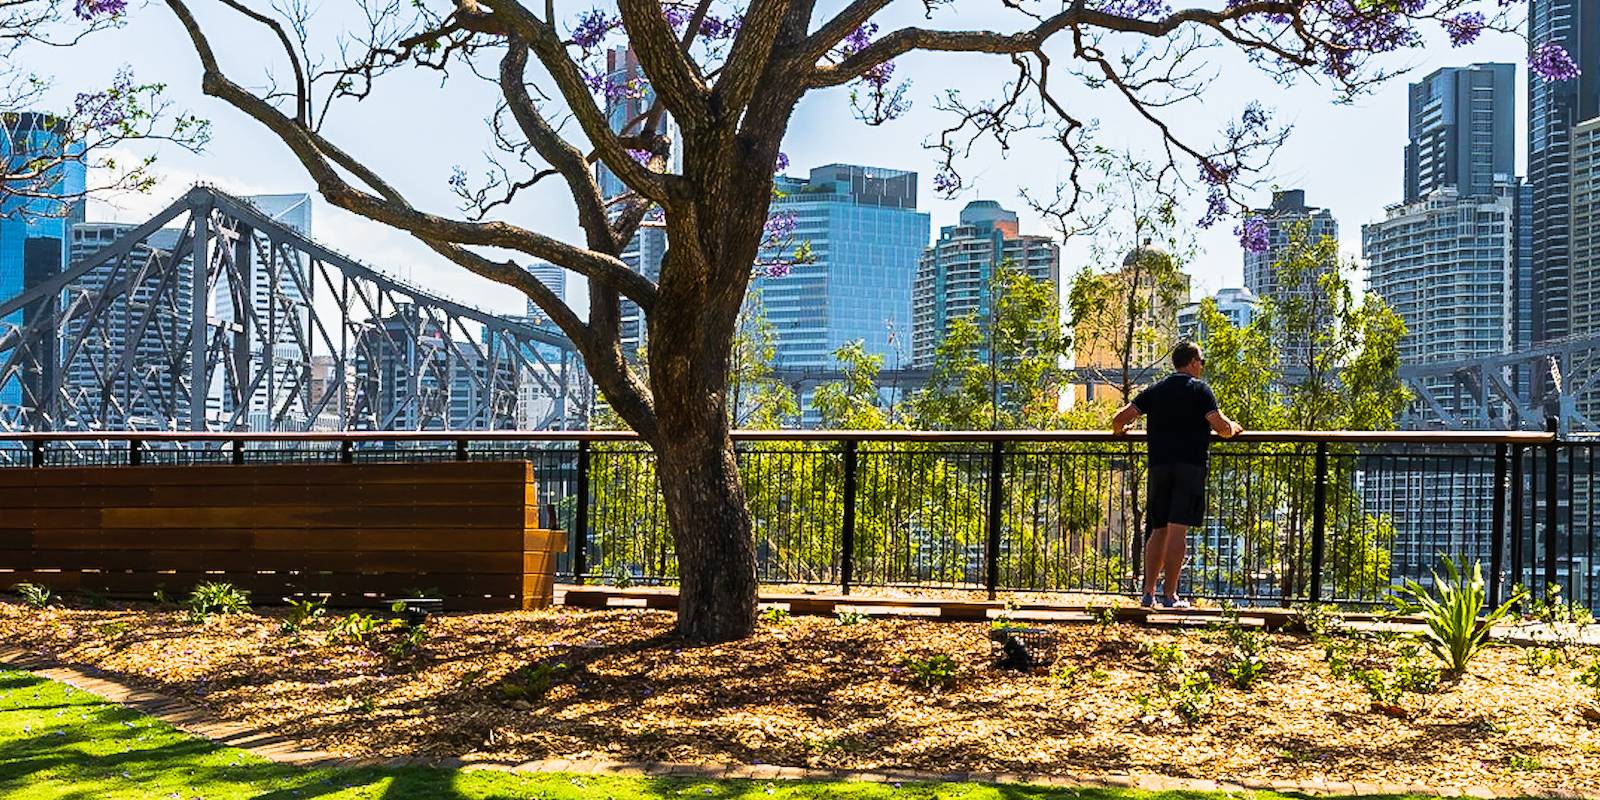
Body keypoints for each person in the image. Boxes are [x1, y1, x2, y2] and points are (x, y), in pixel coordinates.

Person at [1110, 340, 1242, 609]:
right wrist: (1234, 427)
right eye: (1201, 361)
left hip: (1159, 466)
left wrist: (1120, 432)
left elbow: (1119, 418)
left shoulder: (1156, 390)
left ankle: (1148, 593)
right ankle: (1170, 596)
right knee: (1177, 531)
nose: (1202, 366)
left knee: (1157, 530)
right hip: (1189, 467)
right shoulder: (1200, 390)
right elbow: (1221, 427)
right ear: (1192, 362)